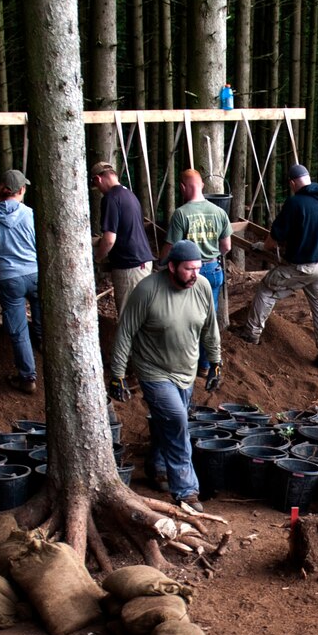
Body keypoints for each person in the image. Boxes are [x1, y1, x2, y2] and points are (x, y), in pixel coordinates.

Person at [109, 240, 221, 509]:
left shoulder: (202, 287)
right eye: (188, 269)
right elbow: (125, 332)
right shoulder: (147, 290)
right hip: (154, 370)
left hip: (186, 370)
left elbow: (210, 327)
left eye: (198, 268)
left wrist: (216, 361)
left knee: (170, 422)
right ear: (171, 266)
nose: (195, 274)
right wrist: (117, 373)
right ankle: (186, 490)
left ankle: (157, 466)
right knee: (177, 419)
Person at [244, 163, 318, 369]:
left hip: (304, 267)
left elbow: (275, 237)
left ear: (292, 183)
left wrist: (263, 246)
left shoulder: (295, 203)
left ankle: (251, 335)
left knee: (267, 288)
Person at [0, 169, 43, 394]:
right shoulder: (30, 214)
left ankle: (27, 377)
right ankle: (43, 345)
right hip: (34, 274)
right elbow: (40, 246)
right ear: (21, 190)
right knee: (40, 310)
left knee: (18, 329)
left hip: (8, 277)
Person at [93, 160, 155, 313]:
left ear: (98, 179)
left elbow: (109, 239)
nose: (99, 190)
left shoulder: (110, 199)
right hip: (142, 262)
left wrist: (98, 258)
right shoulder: (129, 194)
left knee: (129, 317)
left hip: (130, 267)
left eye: (97, 186)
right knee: (142, 314)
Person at [167, 168, 232, 262]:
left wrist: (161, 261)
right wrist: (212, 258)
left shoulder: (180, 214)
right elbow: (226, 247)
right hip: (214, 269)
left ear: (182, 187)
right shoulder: (220, 212)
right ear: (202, 186)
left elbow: (172, 247)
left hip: (189, 269)